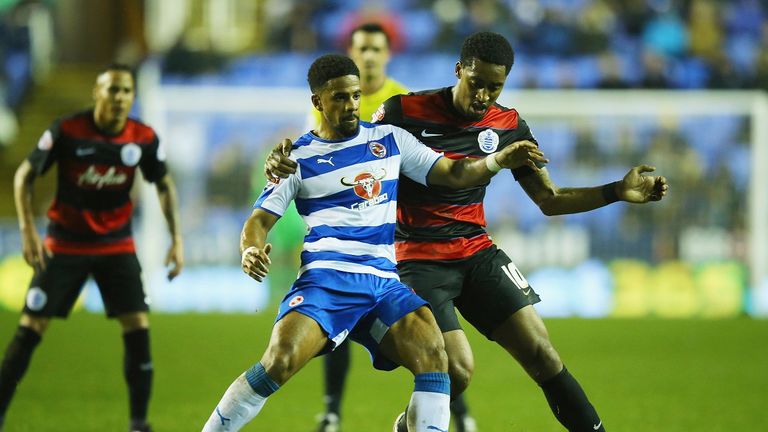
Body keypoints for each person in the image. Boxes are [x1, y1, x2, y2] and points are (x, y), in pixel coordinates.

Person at [265, 32, 669, 432]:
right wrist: (285, 162)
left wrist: (617, 191)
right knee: (456, 370)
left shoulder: (508, 124)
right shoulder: (404, 111)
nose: (483, 96)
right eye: (476, 84)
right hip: (416, 258)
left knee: (543, 354)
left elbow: (550, 198)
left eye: (495, 88)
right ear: (459, 70)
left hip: (477, 253)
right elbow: (349, 148)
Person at [201, 54, 546, 432]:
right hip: (327, 282)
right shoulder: (296, 159)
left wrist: (496, 160)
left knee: (436, 358)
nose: (350, 106)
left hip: (384, 283)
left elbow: (452, 173)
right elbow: (258, 220)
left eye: (354, 96)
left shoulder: (390, 140)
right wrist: (250, 249)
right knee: (279, 362)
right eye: (339, 98)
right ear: (317, 102)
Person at [308, 22, 478, 432]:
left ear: (387, 55)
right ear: (352, 50)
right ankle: (332, 409)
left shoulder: (400, 102)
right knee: (334, 314)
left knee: (431, 324)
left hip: (398, 233)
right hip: (343, 229)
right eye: (362, 48)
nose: (368, 56)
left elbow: (425, 164)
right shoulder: (329, 101)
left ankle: (461, 411)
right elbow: (312, 148)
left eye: (376, 49)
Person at [0, 64, 184, 432]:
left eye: (126, 91)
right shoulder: (67, 130)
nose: (119, 98)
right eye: (112, 90)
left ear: (133, 97)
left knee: (137, 325)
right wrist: (27, 230)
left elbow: (163, 184)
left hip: (116, 246)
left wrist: (176, 238)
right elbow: (24, 176)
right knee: (30, 327)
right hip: (64, 244)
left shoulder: (143, 137)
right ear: (96, 94)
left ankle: (138, 423)